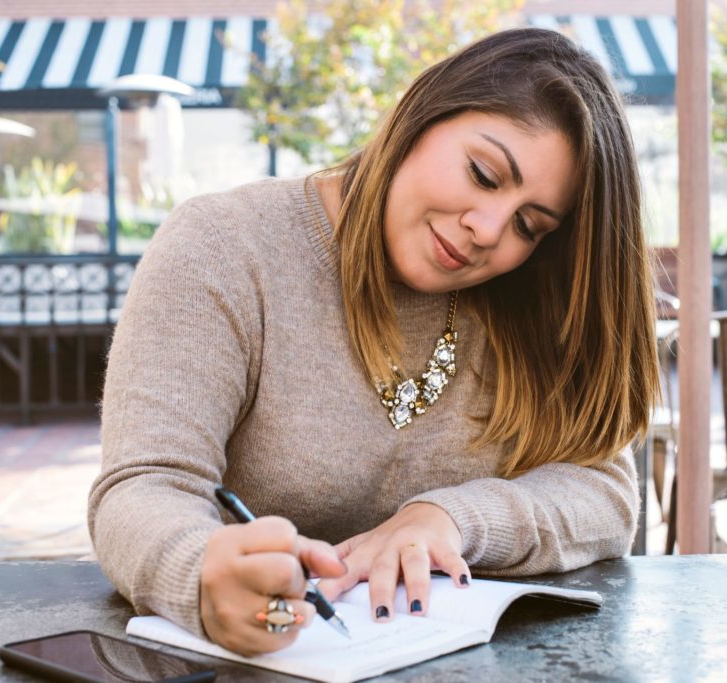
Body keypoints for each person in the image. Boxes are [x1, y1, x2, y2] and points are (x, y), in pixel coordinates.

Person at [89, 26, 659, 657]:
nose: (488, 230)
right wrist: (198, 574)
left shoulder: (524, 295)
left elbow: (603, 491)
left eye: (529, 224)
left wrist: (449, 519)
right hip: (260, 660)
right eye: (483, 173)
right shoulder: (224, 246)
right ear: (421, 116)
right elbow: (143, 489)